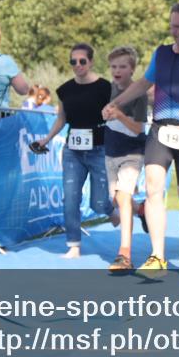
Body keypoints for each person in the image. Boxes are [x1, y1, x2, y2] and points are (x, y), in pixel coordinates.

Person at [101, 2, 179, 279]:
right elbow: (143, 84)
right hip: (159, 131)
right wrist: (116, 103)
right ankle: (157, 256)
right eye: (175, 26)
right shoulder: (161, 53)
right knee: (153, 189)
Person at [31, 44, 113, 259]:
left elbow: (116, 113)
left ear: (91, 62)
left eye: (82, 61)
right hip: (72, 152)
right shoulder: (65, 90)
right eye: (73, 62)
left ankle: (111, 211)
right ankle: (74, 245)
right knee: (70, 198)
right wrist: (46, 139)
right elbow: (61, 119)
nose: (77, 65)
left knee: (99, 203)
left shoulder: (105, 87)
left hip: (99, 149)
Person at [104, 46, 148, 272]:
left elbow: (139, 128)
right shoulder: (107, 89)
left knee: (122, 197)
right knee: (116, 200)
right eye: (114, 66)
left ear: (132, 70)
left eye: (123, 66)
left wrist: (120, 114)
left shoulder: (137, 95)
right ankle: (140, 210)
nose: (117, 70)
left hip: (132, 153)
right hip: (110, 152)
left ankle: (125, 254)